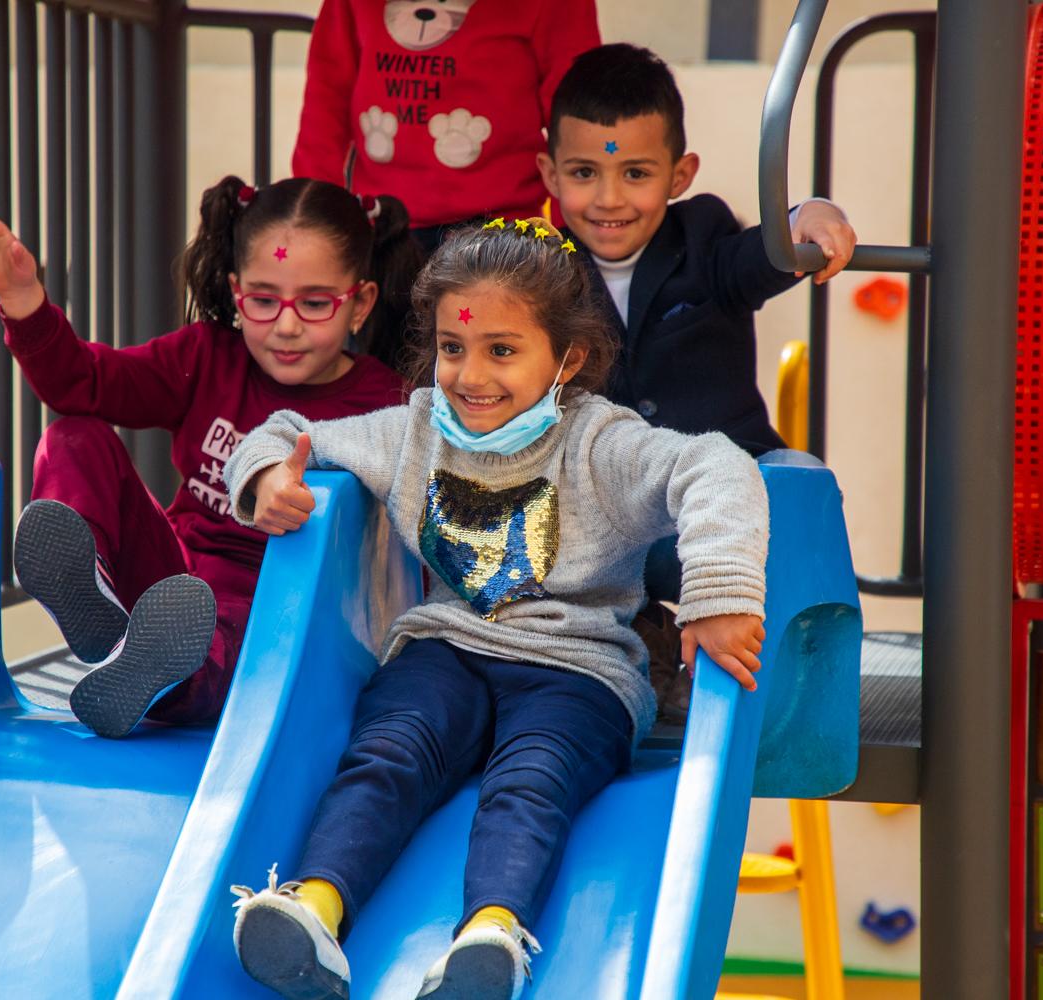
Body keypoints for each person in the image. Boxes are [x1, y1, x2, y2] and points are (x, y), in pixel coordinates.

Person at [223, 218, 768, 1000]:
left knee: (531, 780)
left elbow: (715, 463)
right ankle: (312, 908)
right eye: (453, 347)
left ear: (567, 357)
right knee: (388, 751)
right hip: (447, 649)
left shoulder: (598, 443)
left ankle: (490, 937)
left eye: (501, 350)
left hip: (576, 670)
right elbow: (284, 430)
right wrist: (271, 472)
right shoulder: (414, 431)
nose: (470, 375)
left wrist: (715, 595)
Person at [0, 176, 418, 739]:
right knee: (75, 435)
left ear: (360, 302)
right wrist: (21, 296)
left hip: (278, 613)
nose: (287, 326)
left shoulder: (385, 404)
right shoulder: (207, 358)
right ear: (235, 290)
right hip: (172, 579)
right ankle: (96, 596)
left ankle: (156, 675)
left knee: (206, 638)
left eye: (316, 303)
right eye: (263, 301)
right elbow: (84, 383)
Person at [536, 43, 857, 719]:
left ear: (680, 174)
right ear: (550, 173)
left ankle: (799, 692)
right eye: (585, 172)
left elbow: (758, 259)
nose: (609, 198)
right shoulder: (539, 272)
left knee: (800, 480)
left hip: (724, 500)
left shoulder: (702, 237)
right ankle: (637, 650)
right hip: (620, 522)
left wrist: (805, 220)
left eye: (636, 172)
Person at [292, 0, 600, 255]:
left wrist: (569, 238)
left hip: (498, 232)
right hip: (382, 225)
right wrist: (315, 218)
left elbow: (577, 121)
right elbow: (325, 104)